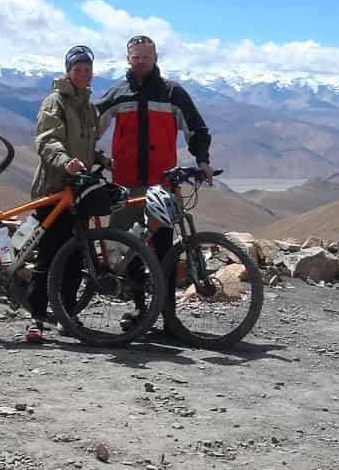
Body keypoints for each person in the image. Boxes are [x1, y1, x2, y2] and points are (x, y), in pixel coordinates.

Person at [95, 35, 214, 328]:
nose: (141, 62)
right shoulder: (118, 93)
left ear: (156, 58)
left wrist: (203, 162)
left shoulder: (173, 93)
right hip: (125, 185)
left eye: (146, 57)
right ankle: (138, 310)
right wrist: (91, 157)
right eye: (135, 57)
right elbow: (91, 126)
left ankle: (168, 316)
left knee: (164, 250)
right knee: (129, 249)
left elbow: (196, 129)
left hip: (162, 184)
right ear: (128, 59)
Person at [25, 45, 109, 343]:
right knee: (47, 256)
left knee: (75, 257)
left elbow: (83, 144)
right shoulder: (55, 101)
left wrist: (98, 159)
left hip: (78, 192)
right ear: (68, 71)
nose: (83, 74)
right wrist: (65, 162)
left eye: (87, 69)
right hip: (54, 190)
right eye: (77, 70)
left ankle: (67, 314)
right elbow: (47, 140)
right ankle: (35, 319)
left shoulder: (88, 105)